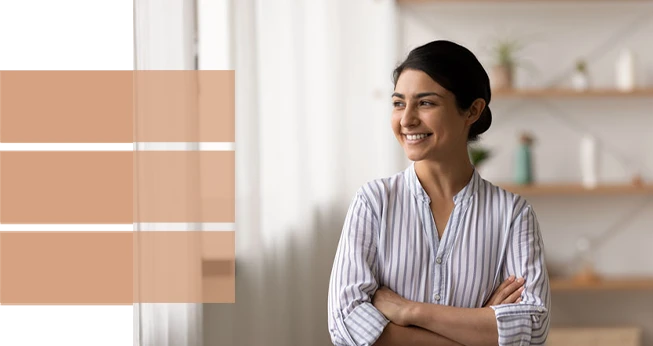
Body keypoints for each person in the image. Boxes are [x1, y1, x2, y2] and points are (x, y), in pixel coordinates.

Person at [327, 40, 550, 346]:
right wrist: (478, 327)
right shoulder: (374, 202)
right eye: (398, 103)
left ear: (472, 110)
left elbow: (532, 328)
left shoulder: (512, 215)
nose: (406, 120)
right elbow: (346, 324)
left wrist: (411, 311)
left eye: (426, 103)